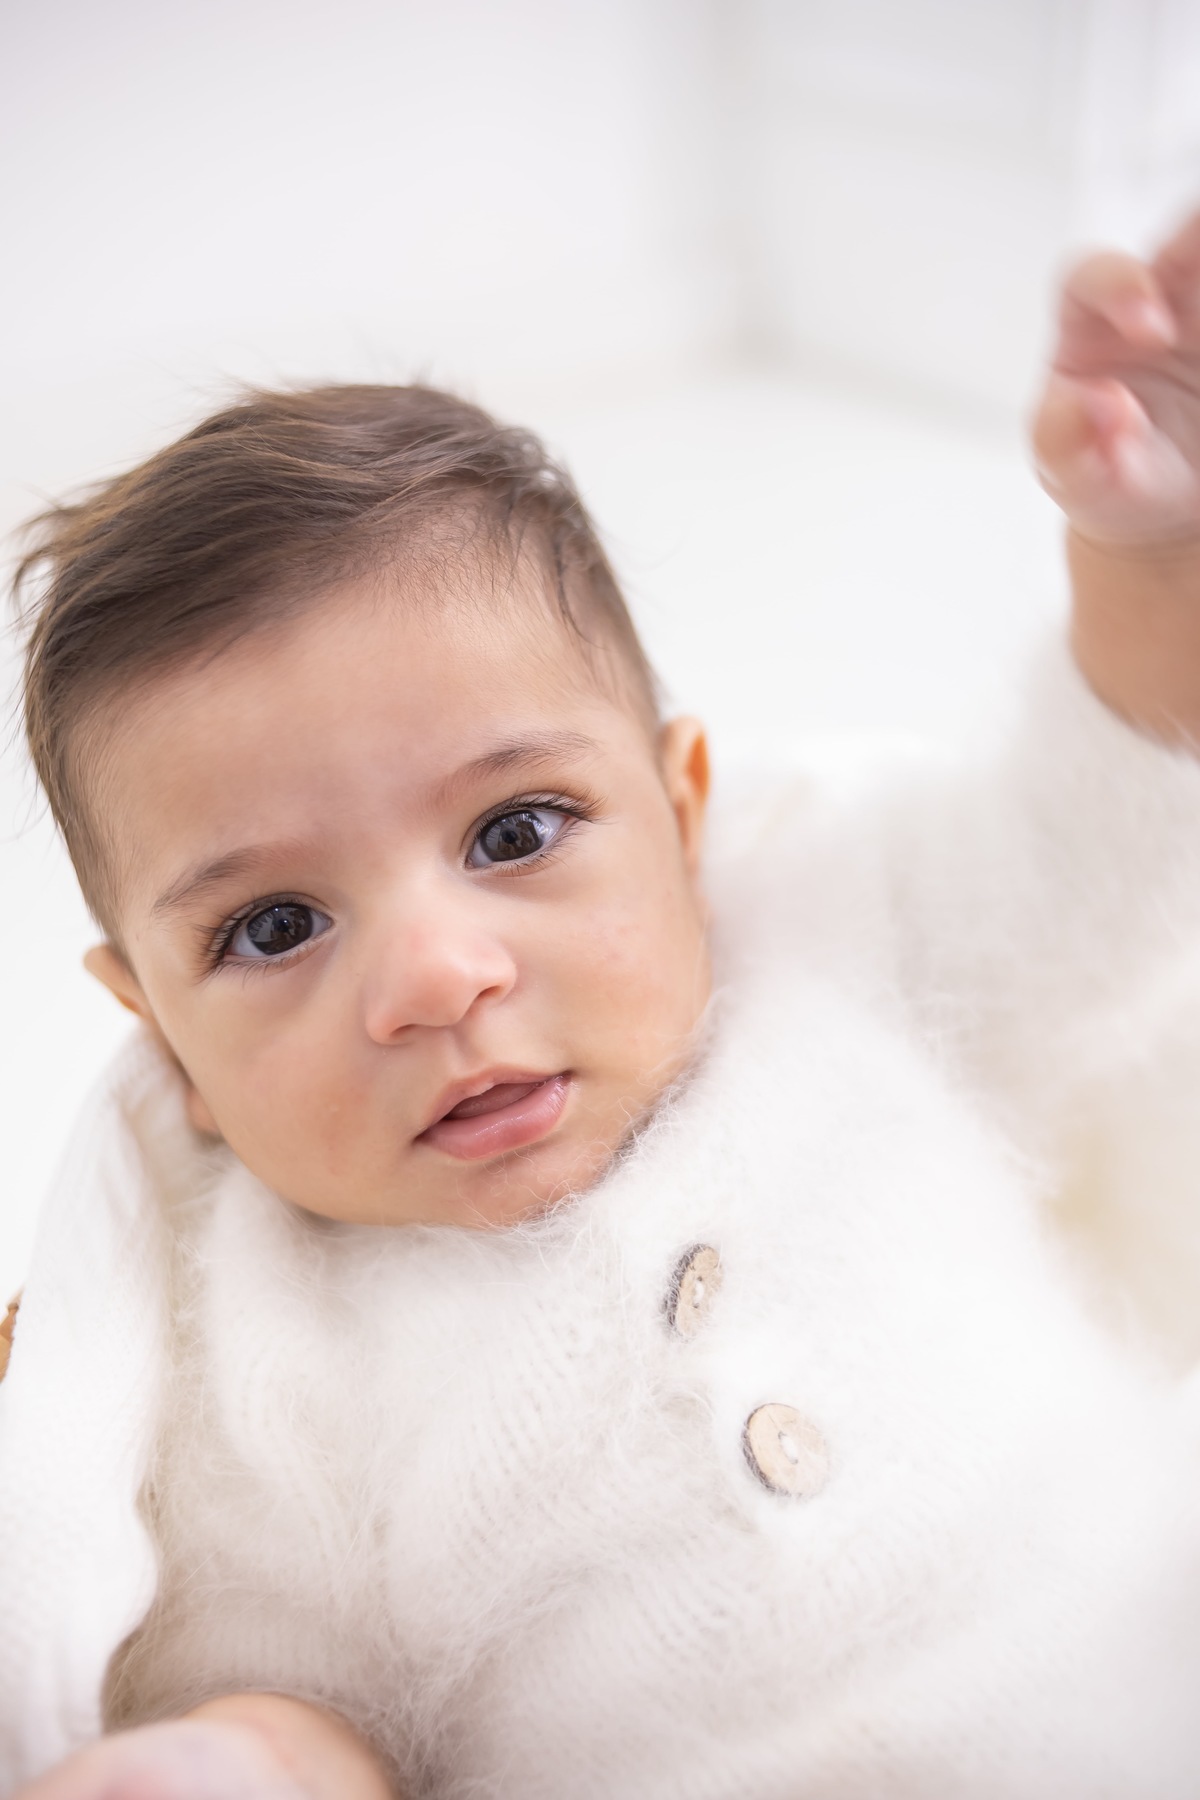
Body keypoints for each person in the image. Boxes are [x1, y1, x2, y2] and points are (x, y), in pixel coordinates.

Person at [5, 215, 1200, 1800]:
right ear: (163, 1040)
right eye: (275, 928)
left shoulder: (842, 938)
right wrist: (240, 1759)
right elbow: (303, 1712)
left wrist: (1148, 550)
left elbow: (1104, 831)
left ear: (684, 814)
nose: (437, 978)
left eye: (516, 831)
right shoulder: (255, 1350)